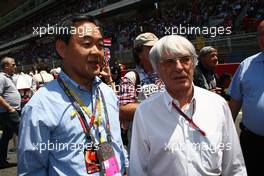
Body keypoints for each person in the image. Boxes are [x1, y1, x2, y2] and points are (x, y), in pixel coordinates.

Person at [18, 14, 128, 175]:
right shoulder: (40, 106)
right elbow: (31, 171)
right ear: (62, 48)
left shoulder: (107, 93)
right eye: (87, 43)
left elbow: (116, 144)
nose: (97, 51)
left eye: (99, 44)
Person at [129, 35, 247, 176]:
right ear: (157, 69)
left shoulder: (218, 105)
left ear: (194, 63)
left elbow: (234, 166)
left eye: (185, 59)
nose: (179, 67)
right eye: (169, 62)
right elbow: (138, 170)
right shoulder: (145, 112)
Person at [228, 20, 264, 176]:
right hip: (253, 143)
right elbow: (235, 102)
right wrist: (226, 136)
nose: (263, 38)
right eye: (260, 34)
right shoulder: (246, 65)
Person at [118, 32, 161, 149]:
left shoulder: (166, 73)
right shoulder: (131, 76)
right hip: (143, 143)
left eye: (158, 48)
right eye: (151, 49)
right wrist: (161, 104)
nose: (157, 52)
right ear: (139, 53)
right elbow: (123, 110)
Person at [0, 57, 21, 168]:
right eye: (13, 65)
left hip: (11, 110)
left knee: (6, 136)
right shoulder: (1, 78)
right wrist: (9, 108)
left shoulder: (8, 77)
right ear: (6, 66)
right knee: (22, 133)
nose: (15, 66)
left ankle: (1, 161)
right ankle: (31, 160)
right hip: (9, 112)